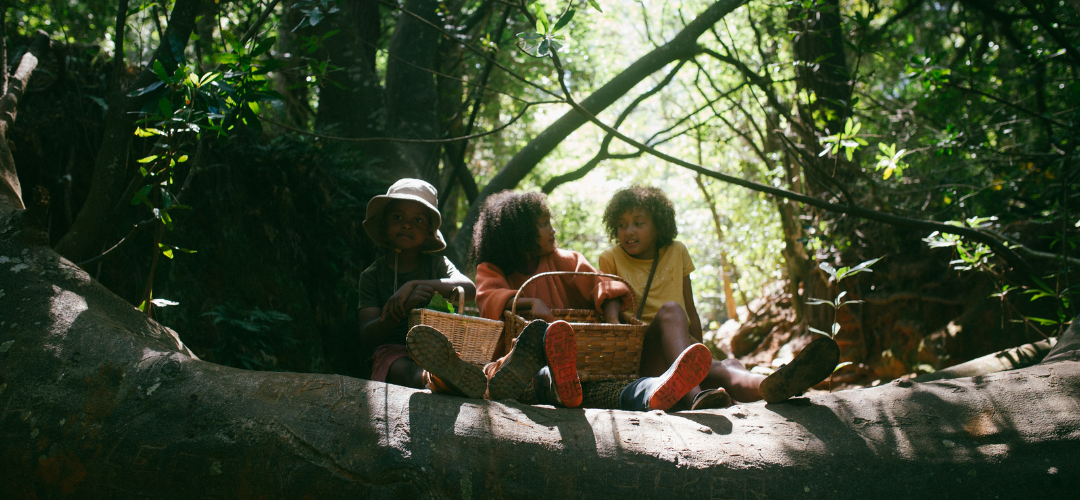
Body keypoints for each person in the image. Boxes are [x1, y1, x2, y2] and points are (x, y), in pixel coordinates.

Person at [472, 191, 717, 411]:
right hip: (522, 370)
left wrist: (612, 319)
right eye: (544, 224)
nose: (552, 230)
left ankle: (656, 391)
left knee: (609, 389)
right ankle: (553, 381)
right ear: (521, 233)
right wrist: (531, 302)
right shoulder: (492, 269)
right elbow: (489, 297)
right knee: (530, 378)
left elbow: (604, 285)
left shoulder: (565, 261)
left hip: (579, 371)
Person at [599, 185, 839, 408]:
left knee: (729, 366)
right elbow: (611, 314)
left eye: (638, 223)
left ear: (658, 226)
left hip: (680, 351)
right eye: (622, 225)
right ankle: (696, 397)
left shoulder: (677, 251)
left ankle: (772, 383)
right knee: (671, 311)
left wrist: (701, 355)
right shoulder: (610, 258)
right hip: (644, 357)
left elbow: (691, 311)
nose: (629, 231)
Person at [358, 178, 485, 398]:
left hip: (440, 350)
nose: (407, 225)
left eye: (418, 220)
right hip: (394, 352)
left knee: (461, 361)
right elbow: (368, 335)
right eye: (397, 217)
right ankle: (437, 380)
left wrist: (415, 284)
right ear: (385, 223)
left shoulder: (438, 265)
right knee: (403, 370)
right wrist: (401, 309)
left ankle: (482, 374)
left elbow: (469, 289)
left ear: (428, 231)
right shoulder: (372, 276)